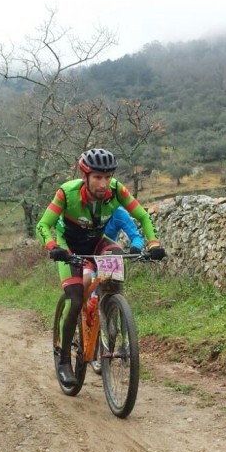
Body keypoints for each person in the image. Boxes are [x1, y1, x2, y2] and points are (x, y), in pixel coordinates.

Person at [35, 148, 165, 386]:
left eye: (107, 177)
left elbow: (143, 217)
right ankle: (64, 361)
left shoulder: (116, 190)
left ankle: (111, 320)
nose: (104, 183)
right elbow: (43, 225)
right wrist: (53, 246)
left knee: (114, 278)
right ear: (85, 175)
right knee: (74, 299)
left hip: (97, 243)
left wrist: (153, 243)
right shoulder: (66, 193)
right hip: (69, 246)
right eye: (97, 177)